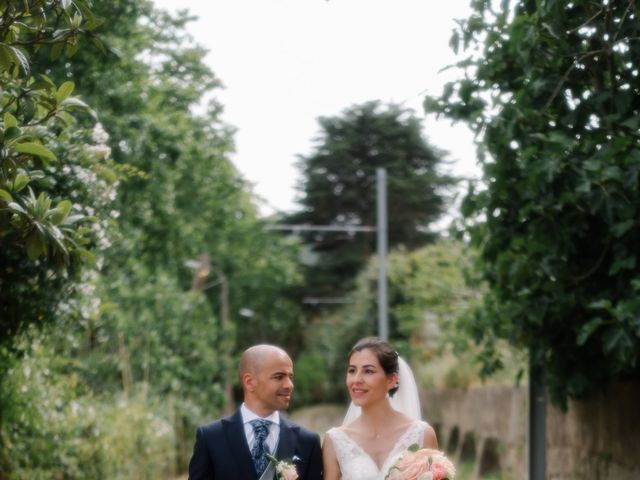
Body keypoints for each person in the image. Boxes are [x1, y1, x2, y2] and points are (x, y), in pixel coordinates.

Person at [188, 344, 323, 479]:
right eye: (279, 377)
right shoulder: (211, 437)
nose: (289, 385)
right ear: (249, 382)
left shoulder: (308, 442)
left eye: (290, 377)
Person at [322, 336, 438, 480]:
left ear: (391, 380)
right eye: (352, 371)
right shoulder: (334, 441)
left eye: (368, 371)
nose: (356, 380)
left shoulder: (422, 435)